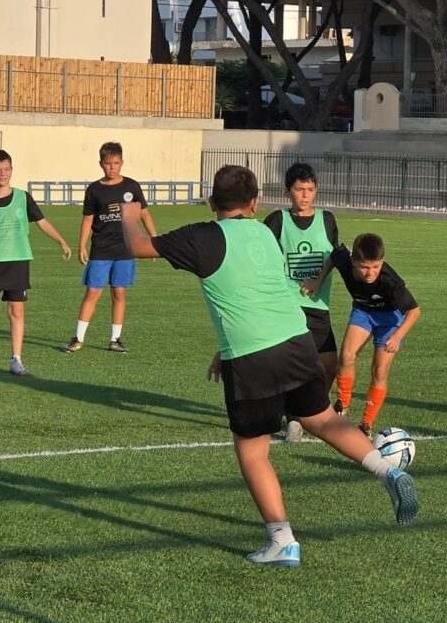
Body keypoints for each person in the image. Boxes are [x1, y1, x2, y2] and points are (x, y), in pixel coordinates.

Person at [118, 164, 419, 567]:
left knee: (253, 451)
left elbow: (137, 246)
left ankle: (282, 541)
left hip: (250, 354)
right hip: (296, 338)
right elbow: (264, 289)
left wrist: (128, 214)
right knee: (324, 419)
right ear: (256, 202)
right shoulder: (263, 233)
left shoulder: (203, 236)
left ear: (212, 201)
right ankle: (387, 471)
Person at [0, 149, 72, 376]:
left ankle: (16, 359)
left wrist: (61, 241)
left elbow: (42, 221)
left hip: (19, 260)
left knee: (17, 310)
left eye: (7, 169)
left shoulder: (23, 197)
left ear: (12, 170)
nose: (3, 174)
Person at [302, 232, 421, 437]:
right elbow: (333, 256)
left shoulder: (389, 280)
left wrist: (397, 336)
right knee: (347, 356)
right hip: (363, 312)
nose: (370, 273)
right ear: (354, 261)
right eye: (365, 267)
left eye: (376, 266)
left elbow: (414, 311)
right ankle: (343, 402)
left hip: (390, 319)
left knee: (379, 370)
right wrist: (318, 281)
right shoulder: (344, 260)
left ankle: (366, 423)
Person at [263, 162, 339, 443]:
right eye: (299, 189)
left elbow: (335, 255)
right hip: (287, 305)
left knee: (329, 366)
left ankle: (304, 411)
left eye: (310, 189)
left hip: (318, 305)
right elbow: (263, 257)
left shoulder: (327, 219)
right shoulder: (277, 220)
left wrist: (318, 279)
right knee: (291, 364)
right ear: (287, 192)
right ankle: (293, 416)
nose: (305, 195)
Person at [63, 142, 156, 353]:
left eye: (115, 163)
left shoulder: (132, 187)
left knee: (119, 292)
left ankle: (115, 339)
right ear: (100, 164)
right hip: (101, 249)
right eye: (107, 163)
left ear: (122, 162)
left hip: (125, 249)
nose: (112, 167)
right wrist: (82, 245)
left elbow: (144, 213)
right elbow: (88, 219)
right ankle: (78, 338)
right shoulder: (94, 189)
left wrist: (154, 239)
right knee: (93, 291)